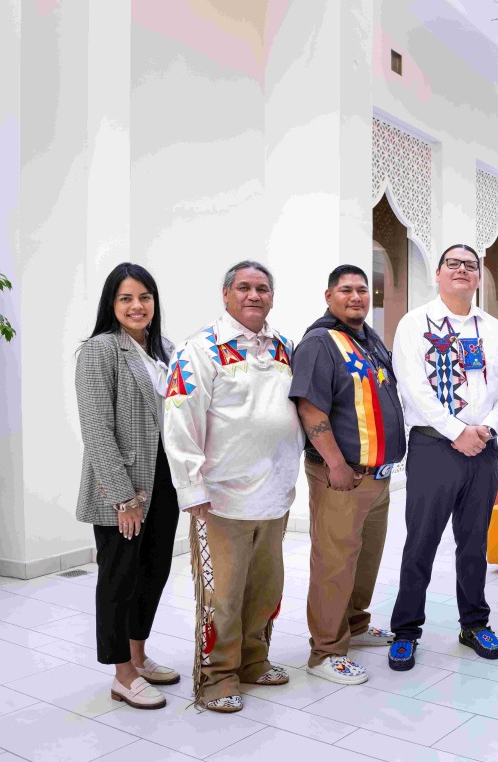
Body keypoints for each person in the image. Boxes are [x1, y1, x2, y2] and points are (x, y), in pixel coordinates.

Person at [164, 260, 303, 712]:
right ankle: (216, 676)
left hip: (274, 495)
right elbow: (180, 418)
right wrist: (192, 489)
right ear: (225, 295)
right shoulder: (198, 349)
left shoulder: (283, 345)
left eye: (262, 288)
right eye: (243, 287)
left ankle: (252, 660)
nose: (253, 295)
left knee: (265, 588)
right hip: (221, 499)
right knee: (222, 596)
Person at [387, 244, 498, 671]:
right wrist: (456, 431)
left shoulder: (494, 330)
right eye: (453, 264)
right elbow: (412, 386)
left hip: (484, 448)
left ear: (478, 277)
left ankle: (474, 623)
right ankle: (406, 630)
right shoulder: (413, 324)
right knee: (420, 542)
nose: (461, 270)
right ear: (438, 274)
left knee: (473, 543)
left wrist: (487, 430)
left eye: (470, 265)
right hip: (433, 448)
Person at [289, 264, 406, 686]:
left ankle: (354, 625)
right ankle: (325, 651)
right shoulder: (321, 343)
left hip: (378, 477)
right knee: (334, 562)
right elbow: (309, 408)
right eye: (346, 290)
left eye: (362, 289)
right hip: (342, 476)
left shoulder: (369, 339)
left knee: (365, 559)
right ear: (328, 296)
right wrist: (336, 464)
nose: (356, 296)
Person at [75, 263, 179, 710]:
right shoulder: (100, 351)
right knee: (119, 578)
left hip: (167, 481)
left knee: (154, 573)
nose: (137, 306)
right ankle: (121, 674)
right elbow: (96, 428)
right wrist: (123, 497)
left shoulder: (166, 350)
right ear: (111, 305)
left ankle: (138, 657)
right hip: (124, 489)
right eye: (126, 298)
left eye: (145, 297)